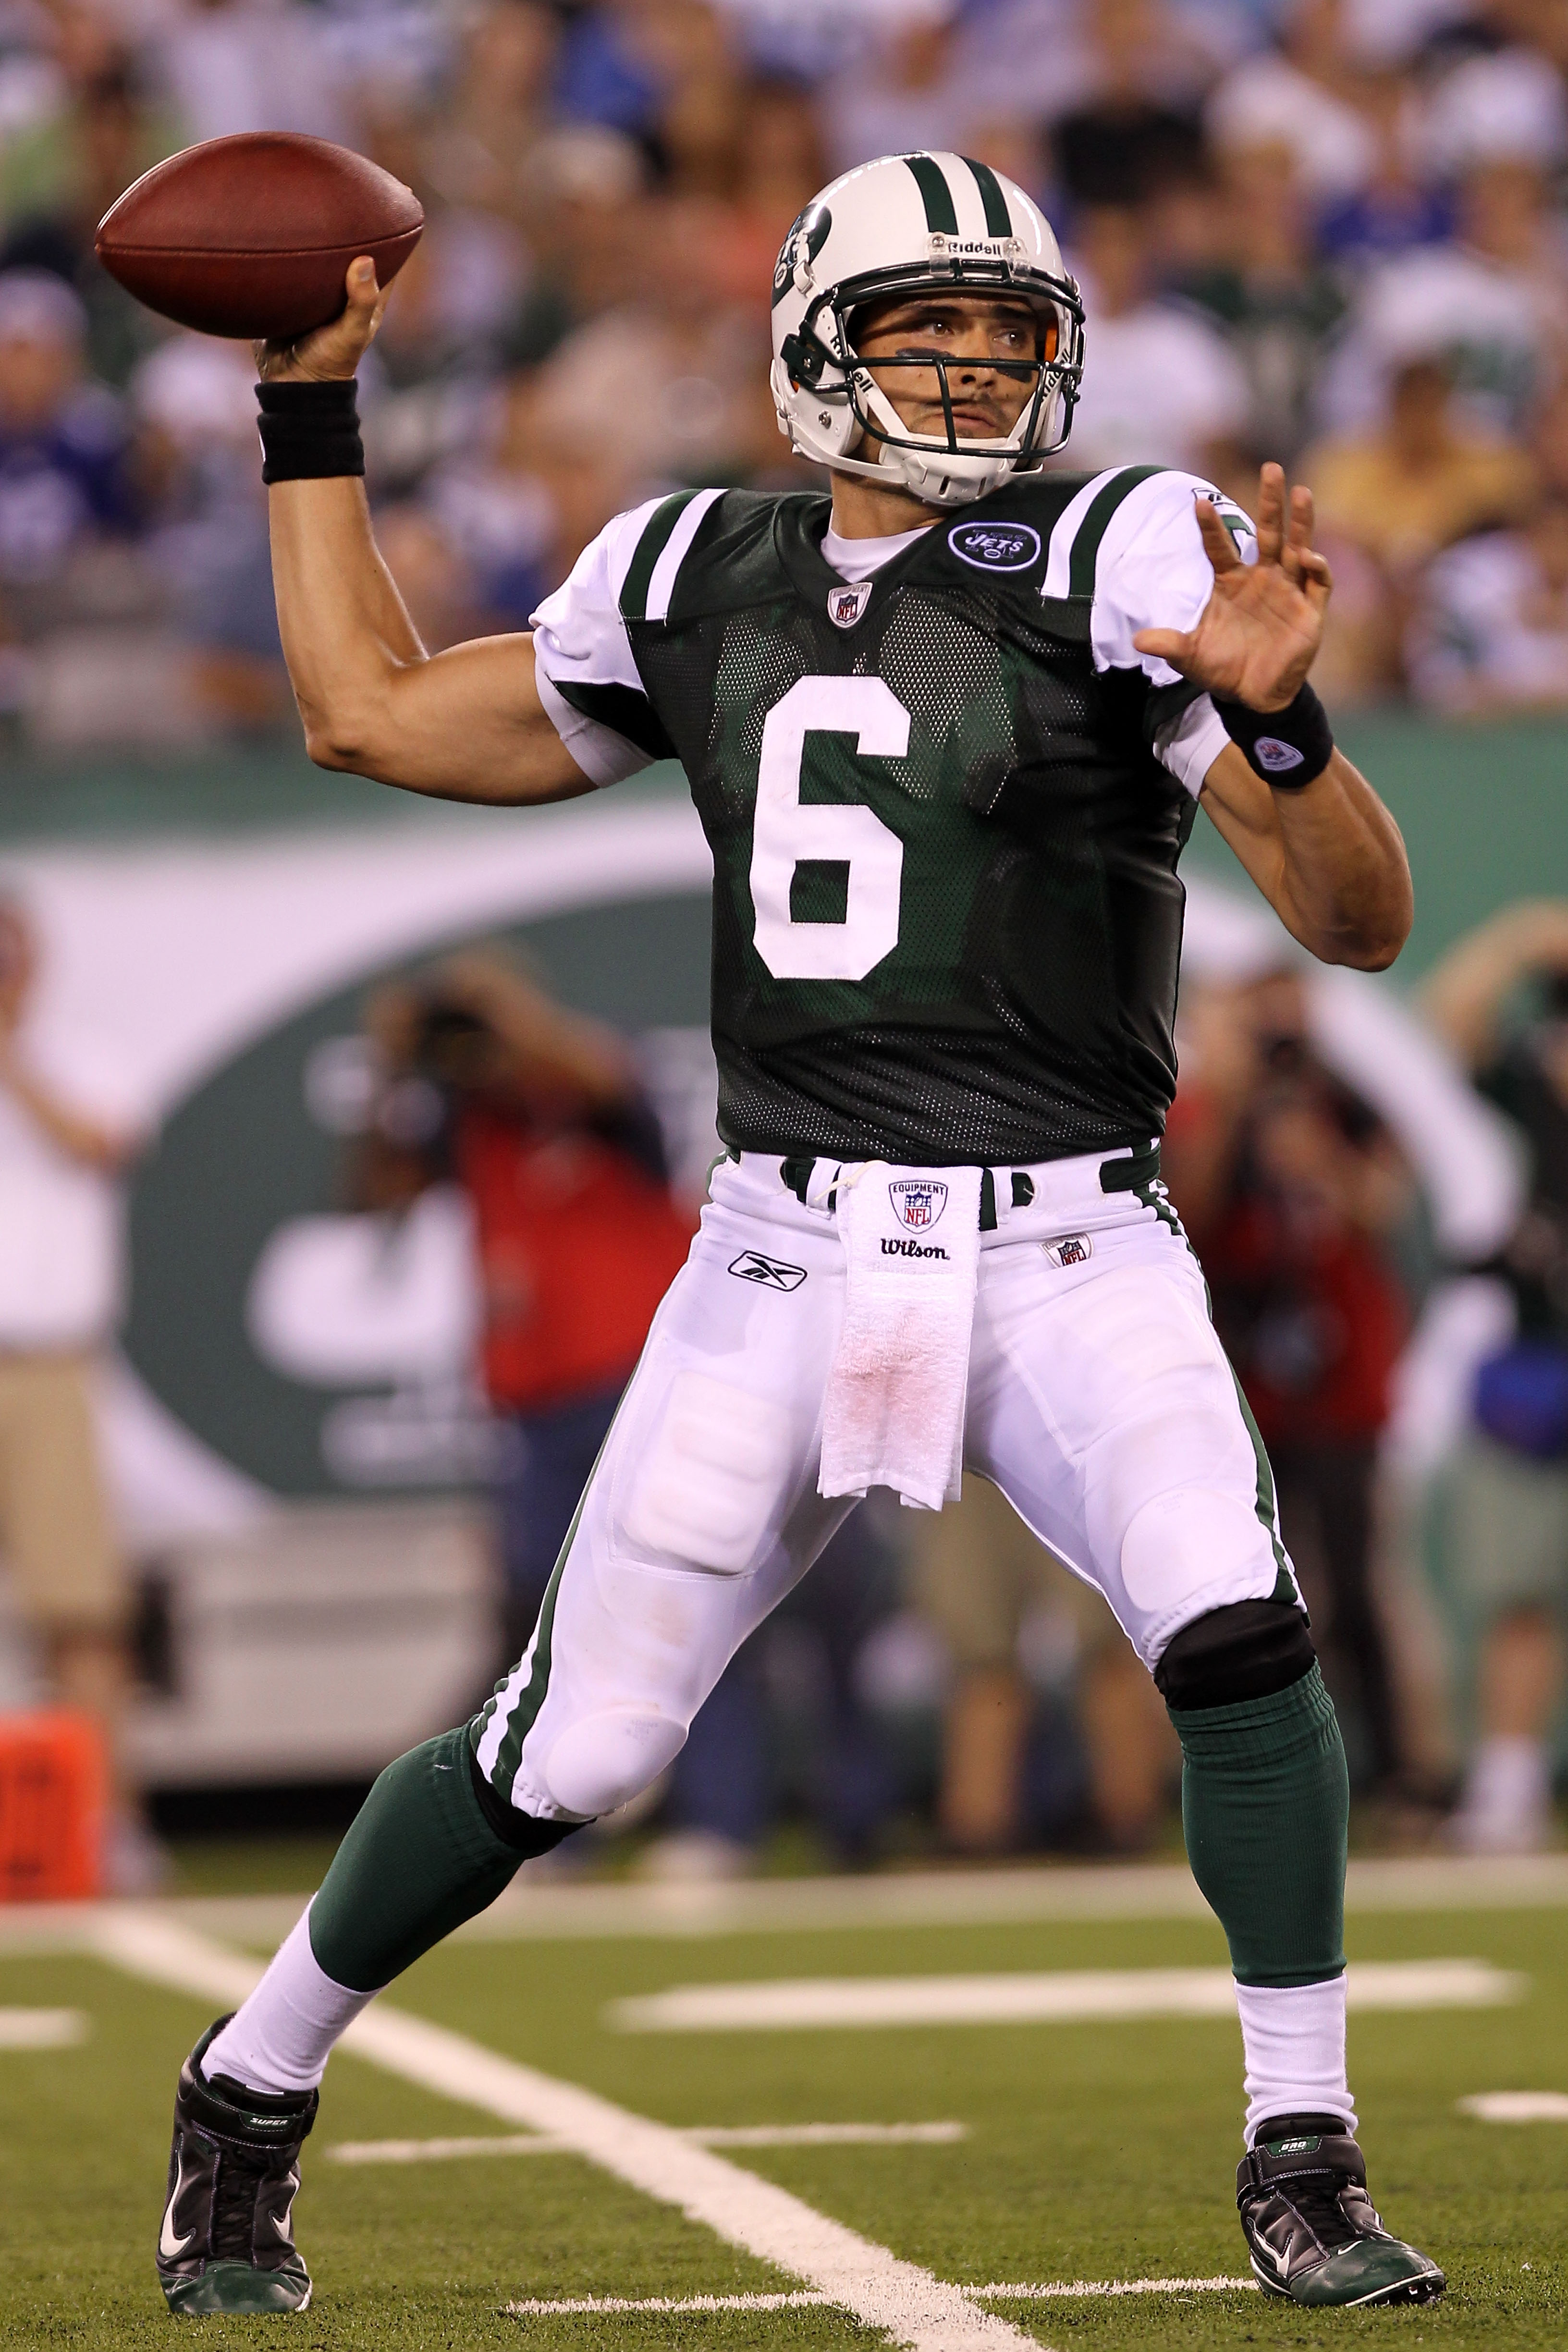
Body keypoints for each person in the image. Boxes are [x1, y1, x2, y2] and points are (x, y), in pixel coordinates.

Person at [154, 151, 1441, 2316]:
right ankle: (249, 2082)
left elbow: (1360, 922)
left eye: (1012, 333)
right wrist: (309, 409)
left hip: (1071, 1236)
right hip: (787, 1242)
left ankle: (1302, 2149)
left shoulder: (1127, 542)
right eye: (932, 327)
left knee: (1236, 1625)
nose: (978, 369)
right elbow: (364, 708)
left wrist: (1286, 729)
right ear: (815, 346)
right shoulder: (689, 564)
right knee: (578, 1748)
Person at [353, 950, 695, 1671]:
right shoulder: (467, 1117)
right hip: (534, 1406)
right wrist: (392, 1068)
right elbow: (376, 1193)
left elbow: (606, 1078)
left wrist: (511, 1014)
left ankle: (712, 1755)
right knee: (538, 1607)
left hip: (634, 1386)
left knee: (666, 1599)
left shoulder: (593, 1096)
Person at [0, 897, 154, 1887]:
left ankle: (108, 1826)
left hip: (45, 1364)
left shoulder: (83, 1058)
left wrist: (10, 1057)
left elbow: (97, 1144)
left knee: (81, 1610)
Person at [1421, 904, 1568, 1853]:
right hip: (1542, 1361)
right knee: (1519, 1582)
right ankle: (1510, 1780)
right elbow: (1447, 1018)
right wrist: (1522, 938)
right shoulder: (1526, 1082)